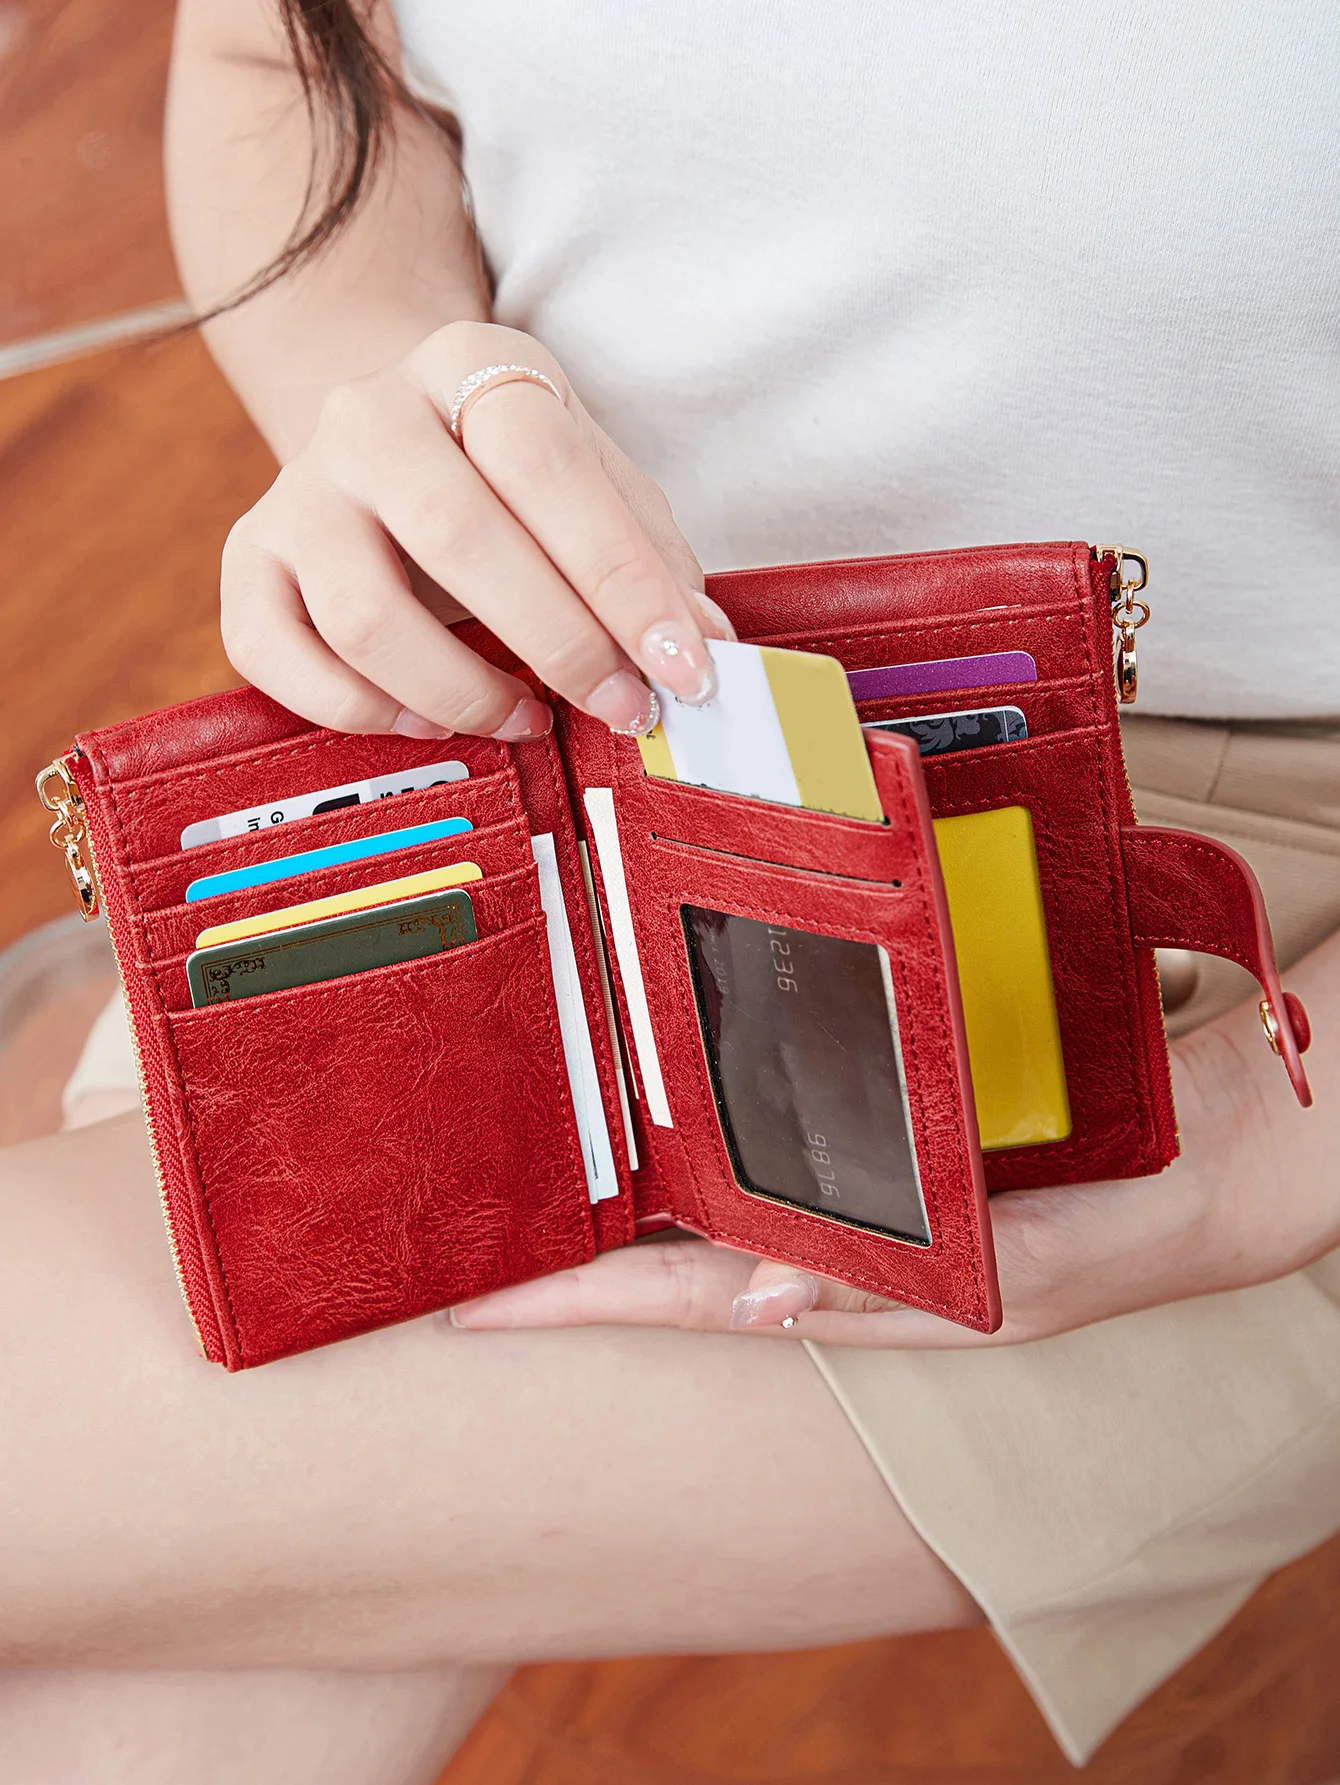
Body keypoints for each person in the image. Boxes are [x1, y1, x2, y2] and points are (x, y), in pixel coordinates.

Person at [2, 1, 1337, 1778]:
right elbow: (288, 61)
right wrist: (392, 385)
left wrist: (1264, 1153)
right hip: (553, 756)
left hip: (1239, 897)